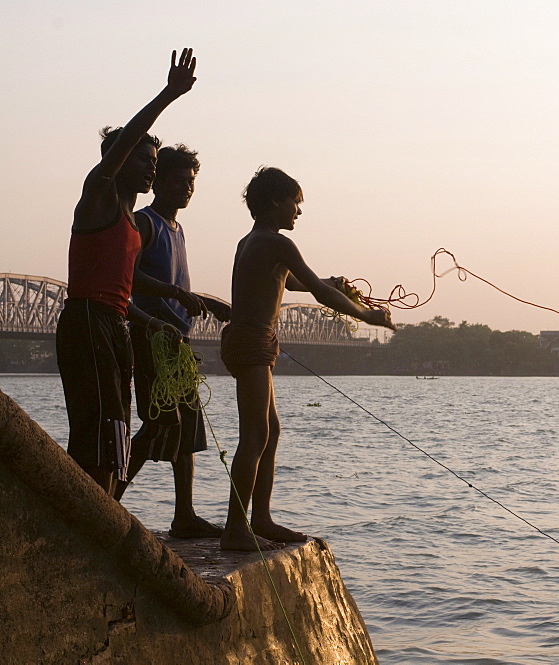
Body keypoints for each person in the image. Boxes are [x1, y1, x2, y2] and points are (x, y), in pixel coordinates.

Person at [219, 167, 395, 551]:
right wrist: (369, 317)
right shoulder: (277, 243)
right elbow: (316, 292)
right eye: (295, 203)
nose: (298, 211)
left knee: (270, 431)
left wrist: (332, 283)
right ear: (274, 203)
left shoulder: (252, 241)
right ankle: (236, 528)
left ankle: (260, 518)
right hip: (252, 343)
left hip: (248, 341)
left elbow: (292, 281)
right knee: (255, 436)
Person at [57, 49, 197, 495]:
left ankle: (104, 506)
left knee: (117, 423)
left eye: (153, 159)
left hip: (116, 324)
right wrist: (168, 95)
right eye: (142, 157)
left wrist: (153, 318)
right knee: (97, 425)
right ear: (117, 161)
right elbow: (122, 145)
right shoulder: (98, 196)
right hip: (87, 322)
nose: (151, 165)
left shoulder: (133, 223)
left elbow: (122, 286)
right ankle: (85, 518)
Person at [113, 145, 232, 539]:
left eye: (192, 181)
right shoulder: (146, 223)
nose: (187, 188)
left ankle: (184, 514)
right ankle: (108, 499)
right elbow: (128, 278)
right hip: (151, 339)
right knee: (163, 424)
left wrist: (209, 303)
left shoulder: (177, 229)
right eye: (179, 180)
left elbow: (178, 285)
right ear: (158, 183)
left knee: (188, 429)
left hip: (178, 343)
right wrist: (176, 295)